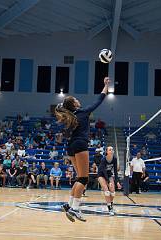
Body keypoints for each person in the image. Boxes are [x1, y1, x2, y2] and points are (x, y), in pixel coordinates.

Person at [56, 77, 109, 222]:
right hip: (80, 144)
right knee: (84, 178)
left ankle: (69, 205)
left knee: (80, 177)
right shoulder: (83, 112)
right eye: (76, 99)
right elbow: (99, 99)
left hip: (71, 146)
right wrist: (105, 85)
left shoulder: (70, 117)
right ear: (74, 104)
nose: (79, 100)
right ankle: (75, 209)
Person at [97, 146, 122, 215]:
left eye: (112, 149)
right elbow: (104, 171)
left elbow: (115, 172)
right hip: (101, 174)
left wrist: (117, 182)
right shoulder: (103, 159)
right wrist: (108, 182)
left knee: (113, 192)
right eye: (110, 149)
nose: (111, 150)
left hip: (109, 174)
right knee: (106, 191)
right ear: (107, 152)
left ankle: (110, 203)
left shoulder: (114, 159)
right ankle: (110, 208)